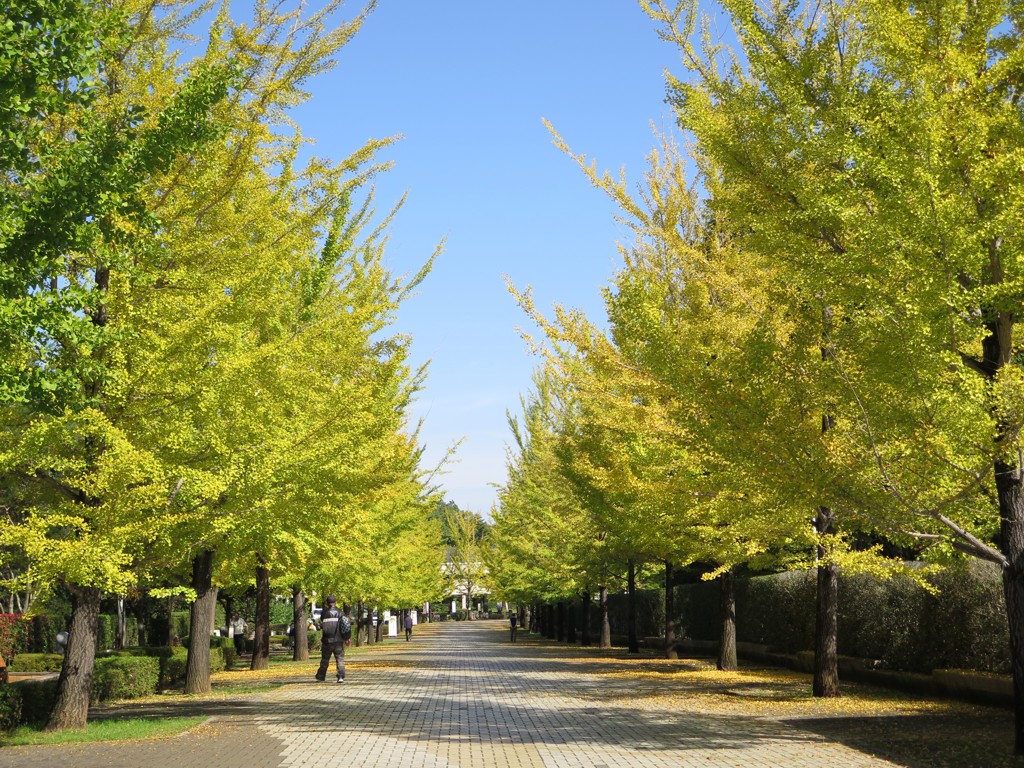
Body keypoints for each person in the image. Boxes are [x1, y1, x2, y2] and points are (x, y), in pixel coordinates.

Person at [315, 596, 351, 683]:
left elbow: (321, 625)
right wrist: (347, 638)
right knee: (340, 659)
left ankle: (321, 676)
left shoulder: (324, 613)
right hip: (338, 640)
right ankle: (340, 676)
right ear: (336, 602)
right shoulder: (340, 613)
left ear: (327, 603)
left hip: (327, 640)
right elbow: (345, 626)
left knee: (324, 660)